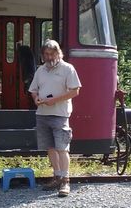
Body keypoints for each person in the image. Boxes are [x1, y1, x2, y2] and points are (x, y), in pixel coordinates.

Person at [28, 39, 81, 197]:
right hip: (42, 114)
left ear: (58, 53)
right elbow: (33, 90)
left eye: (52, 54)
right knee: (50, 148)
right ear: (43, 55)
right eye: (46, 54)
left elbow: (75, 91)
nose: (49, 57)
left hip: (60, 114)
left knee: (62, 148)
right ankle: (57, 176)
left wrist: (54, 100)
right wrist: (36, 99)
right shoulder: (41, 70)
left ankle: (65, 180)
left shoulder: (67, 69)